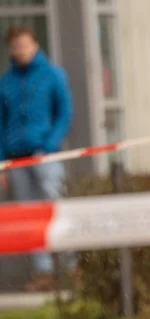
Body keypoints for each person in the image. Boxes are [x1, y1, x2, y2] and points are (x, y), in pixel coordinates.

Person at [0, 25, 73, 287]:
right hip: (16, 159)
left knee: (56, 207)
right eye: (16, 46)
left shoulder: (52, 75)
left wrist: (49, 144)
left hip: (45, 156)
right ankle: (43, 271)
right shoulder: (5, 82)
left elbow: (64, 112)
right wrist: (2, 163)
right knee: (28, 215)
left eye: (24, 44)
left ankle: (70, 266)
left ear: (35, 45)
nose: (21, 50)